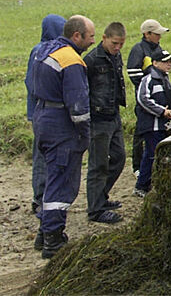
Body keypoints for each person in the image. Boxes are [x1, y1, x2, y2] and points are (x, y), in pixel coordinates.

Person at [31, 15, 95, 258]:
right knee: (62, 182)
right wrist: (84, 136)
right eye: (90, 36)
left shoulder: (44, 51)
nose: (92, 41)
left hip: (42, 116)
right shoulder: (71, 60)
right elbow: (78, 106)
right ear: (76, 36)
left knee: (50, 178)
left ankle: (44, 232)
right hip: (61, 125)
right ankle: (53, 240)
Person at [83, 22, 127, 224]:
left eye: (121, 44)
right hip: (98, 118)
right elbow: (84, 89)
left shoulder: (116, 56)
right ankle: (95, 209)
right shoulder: (91, 60)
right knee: (98, 164)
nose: (117, 48)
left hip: (114, 115)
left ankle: (101, 196)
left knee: (119, 158)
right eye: (114, 43)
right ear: (104, 38)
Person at [25, 14, 66, 214]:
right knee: (42, 156)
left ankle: (45, 196)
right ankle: (40, 197)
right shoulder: (41, 52)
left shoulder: (43, 50)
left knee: (46, 155)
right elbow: (32, 84)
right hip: (43, 111)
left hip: (39, 110)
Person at [127, 19, 169, 180]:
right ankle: (137, 166)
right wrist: (148, 86)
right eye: (157, 34)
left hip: (159, 96)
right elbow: (133, 72)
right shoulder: (138, 49)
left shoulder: (158, 48)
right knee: (141, 131)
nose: (159, 37)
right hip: (144, 97)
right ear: (147, 34)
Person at [133, 50, 171, 198]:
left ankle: (150, 183)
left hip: (163, 124)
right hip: (151, 125)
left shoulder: (165, 79)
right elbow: (143, 99)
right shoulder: (148, 79)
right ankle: (142, 185)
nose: (169, 64)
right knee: (152, 155)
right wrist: (162, 112)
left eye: (170, 61)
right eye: (165, 61)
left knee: (155, 155)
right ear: (155, 63)